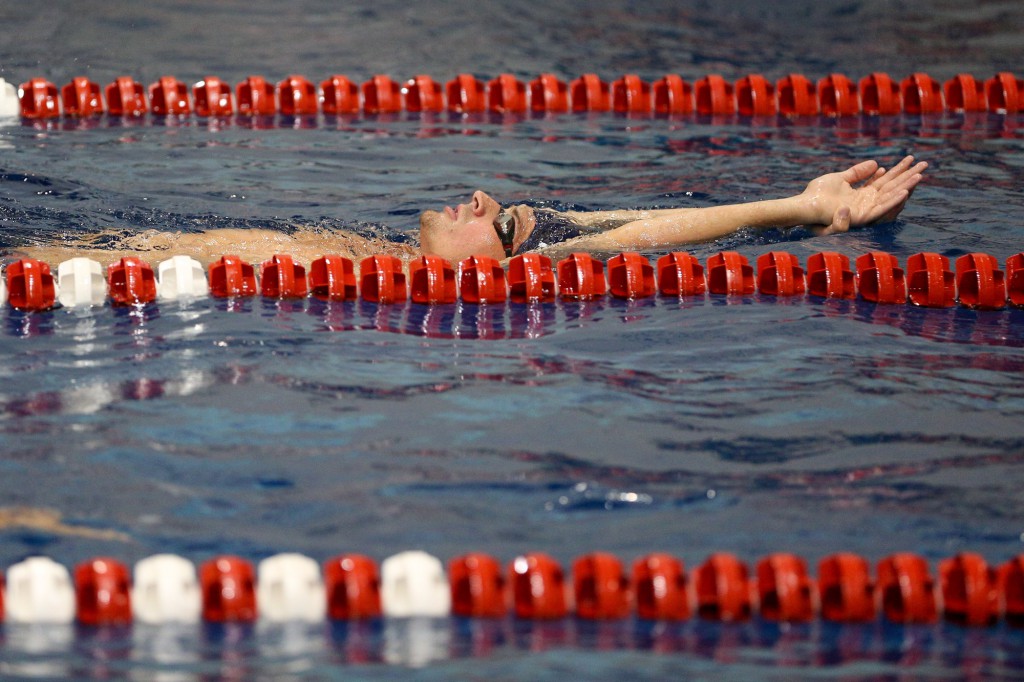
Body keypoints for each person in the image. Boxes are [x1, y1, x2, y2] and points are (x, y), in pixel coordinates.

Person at [12, 156, 926, 267]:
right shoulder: (363, 254)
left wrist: (803, 210)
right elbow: (616, 219)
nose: (484, 197)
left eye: (503, 222)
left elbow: (646, 235)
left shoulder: (384, 284)